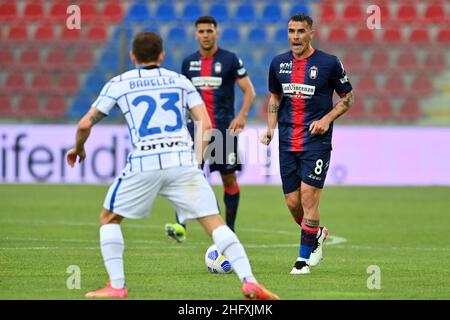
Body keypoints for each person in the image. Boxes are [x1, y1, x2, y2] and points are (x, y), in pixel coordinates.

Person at [66, 32, 278, 300]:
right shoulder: (179, 81)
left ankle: (116, 286)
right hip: (181, 160)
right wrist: (196, 160)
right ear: (162, 55)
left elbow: (85, 123)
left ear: (133, 57)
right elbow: (206, 124)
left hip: (145, 161)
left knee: (109, 218)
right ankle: (249, 281)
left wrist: (79, 147)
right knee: (215, 223)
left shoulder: (119, 83)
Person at [260, 13, 354, 274]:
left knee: (309, 196)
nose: (295, 37)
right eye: (291, 31)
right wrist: (270, 128)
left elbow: (348, 98)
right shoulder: (278, 63)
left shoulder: (329, 63)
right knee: (293, 203)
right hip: (287, 141)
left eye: (301, 31)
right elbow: (275, 97)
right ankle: (317, 233)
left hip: (316, 141)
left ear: (311, 33)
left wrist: (326, 119)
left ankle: (302, 261)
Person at [165, 16, 256, 241]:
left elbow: (249, 91)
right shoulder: (188, 63)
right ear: (196, 35)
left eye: (209, 31)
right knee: (188, 176)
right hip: (194, 130)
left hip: (223, 131)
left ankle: (230, 230)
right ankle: (180, 225)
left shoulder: (230, 59)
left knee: (229, 179)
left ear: (216, 33)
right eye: (201, 31)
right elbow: (182, 95)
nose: (205, 35)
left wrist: (242, 115)